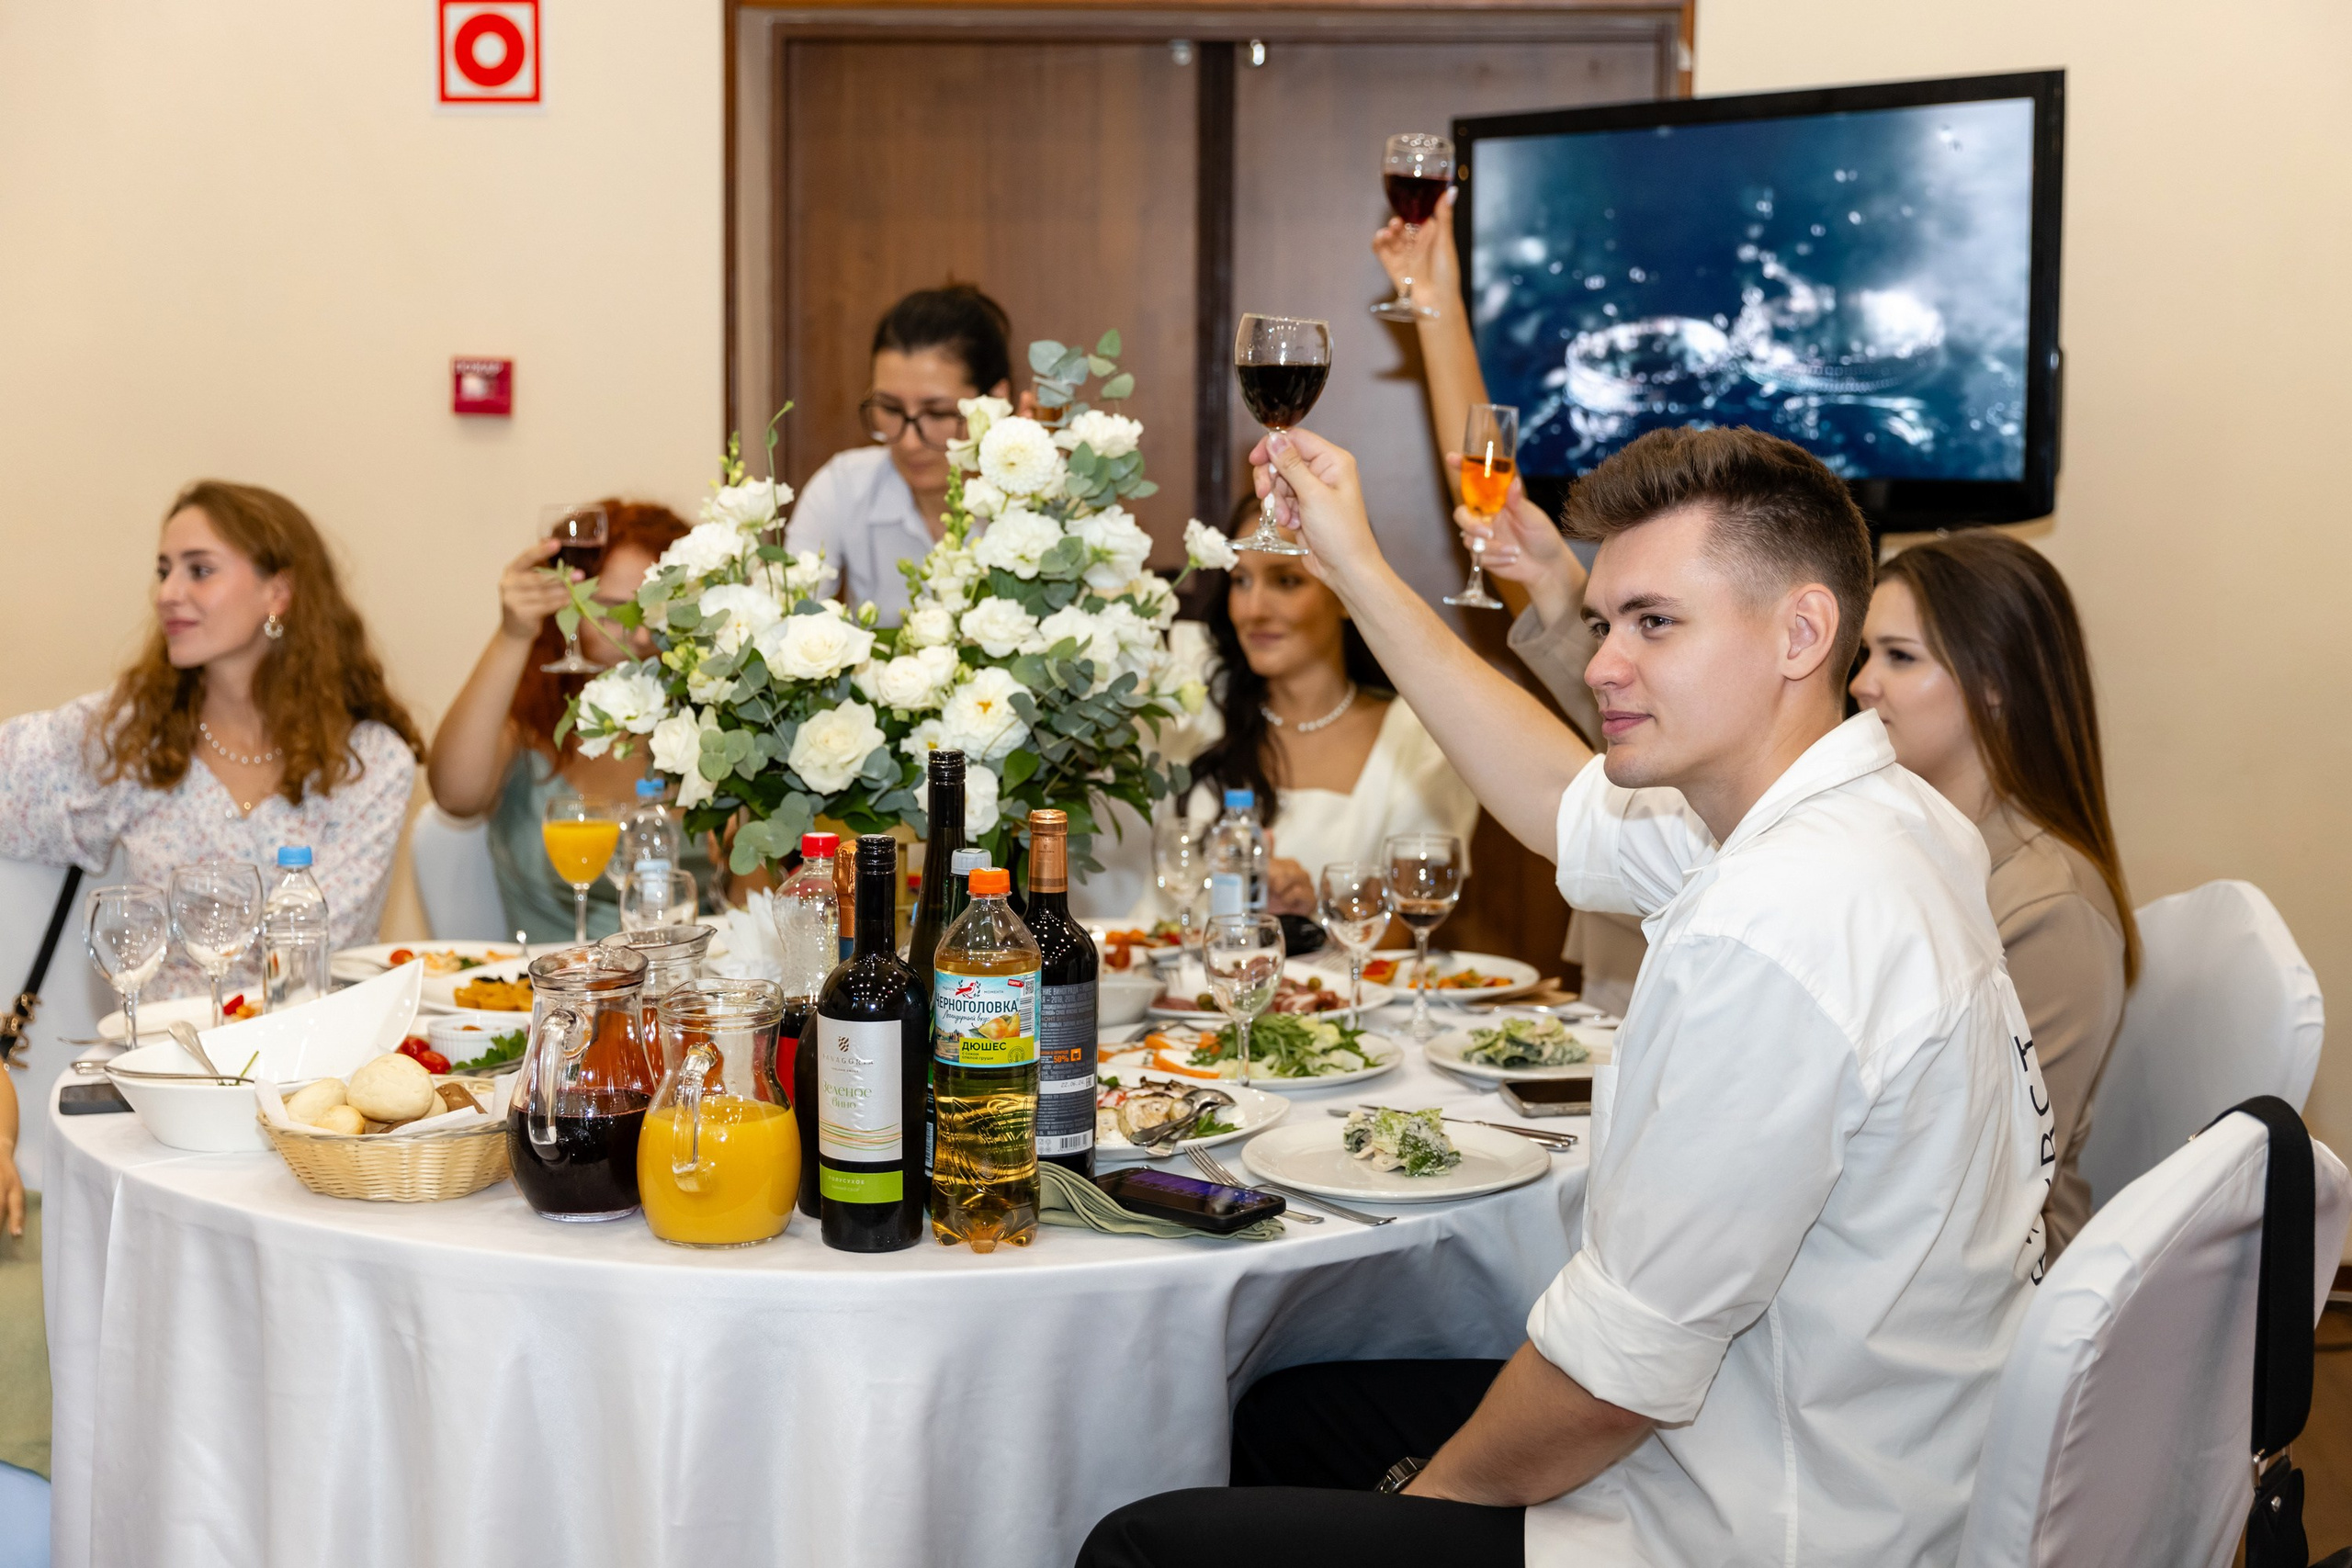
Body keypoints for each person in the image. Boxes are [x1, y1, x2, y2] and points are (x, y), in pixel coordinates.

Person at [1080, 423, 2052, 1567]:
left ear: (1801, 633)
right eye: (1605, 624)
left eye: (1653, 624)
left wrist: (1416, 1515)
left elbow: (1614, 1376)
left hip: (1763, 1518)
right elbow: (1560, 801)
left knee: (1142, 1544)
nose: (1599, 666)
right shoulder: (1873, 817)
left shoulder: (1782, 922)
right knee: (1291, 1406)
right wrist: (1355, 569)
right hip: (1871, 1450)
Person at [1373, 192, 1646, 1010]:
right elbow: (1486, 473)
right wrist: (1435, 304)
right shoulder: (1616, 666)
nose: (1623, 658)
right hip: (1610, 987)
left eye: (1657, 620)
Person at [0, 481, 422, 997]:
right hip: (157, 1061)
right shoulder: (130, 732)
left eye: (199, 570)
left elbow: (326, 944)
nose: (168, 594)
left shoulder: (369, 761)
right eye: (164, 571)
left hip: (308, 1063)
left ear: (279, 593)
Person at [1852, 532, 2136, 1254]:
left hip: (1991, 1276)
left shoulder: (2052, 906)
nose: (1861, 682)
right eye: (1867, 654)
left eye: (1900, 656)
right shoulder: (1906, 840)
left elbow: (1986, 1166)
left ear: (1995, 682)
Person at [1147, 498, 1477, 918]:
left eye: (1286, 581)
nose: (1253, 611)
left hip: (1336, 979)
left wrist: (1318, 911)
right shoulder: (1197, 708)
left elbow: (1413, 924)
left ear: (1345, 595)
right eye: (1240, 581)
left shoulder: (1419, 740)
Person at [428, 500, 717, 943]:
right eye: (614, 611)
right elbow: (454, 794)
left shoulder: (713, 724)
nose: (639, 636)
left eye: (657, 615)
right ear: (567, 606)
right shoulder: (530, 719)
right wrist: (513, 634)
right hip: (558, 999)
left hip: (691, 996)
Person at [784, 285, 1016, 623]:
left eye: (937, 413)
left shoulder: (1034, 506)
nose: (909, 442)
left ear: (995, 399)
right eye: (890, 408)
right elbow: (787, 621)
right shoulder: (844, 487)